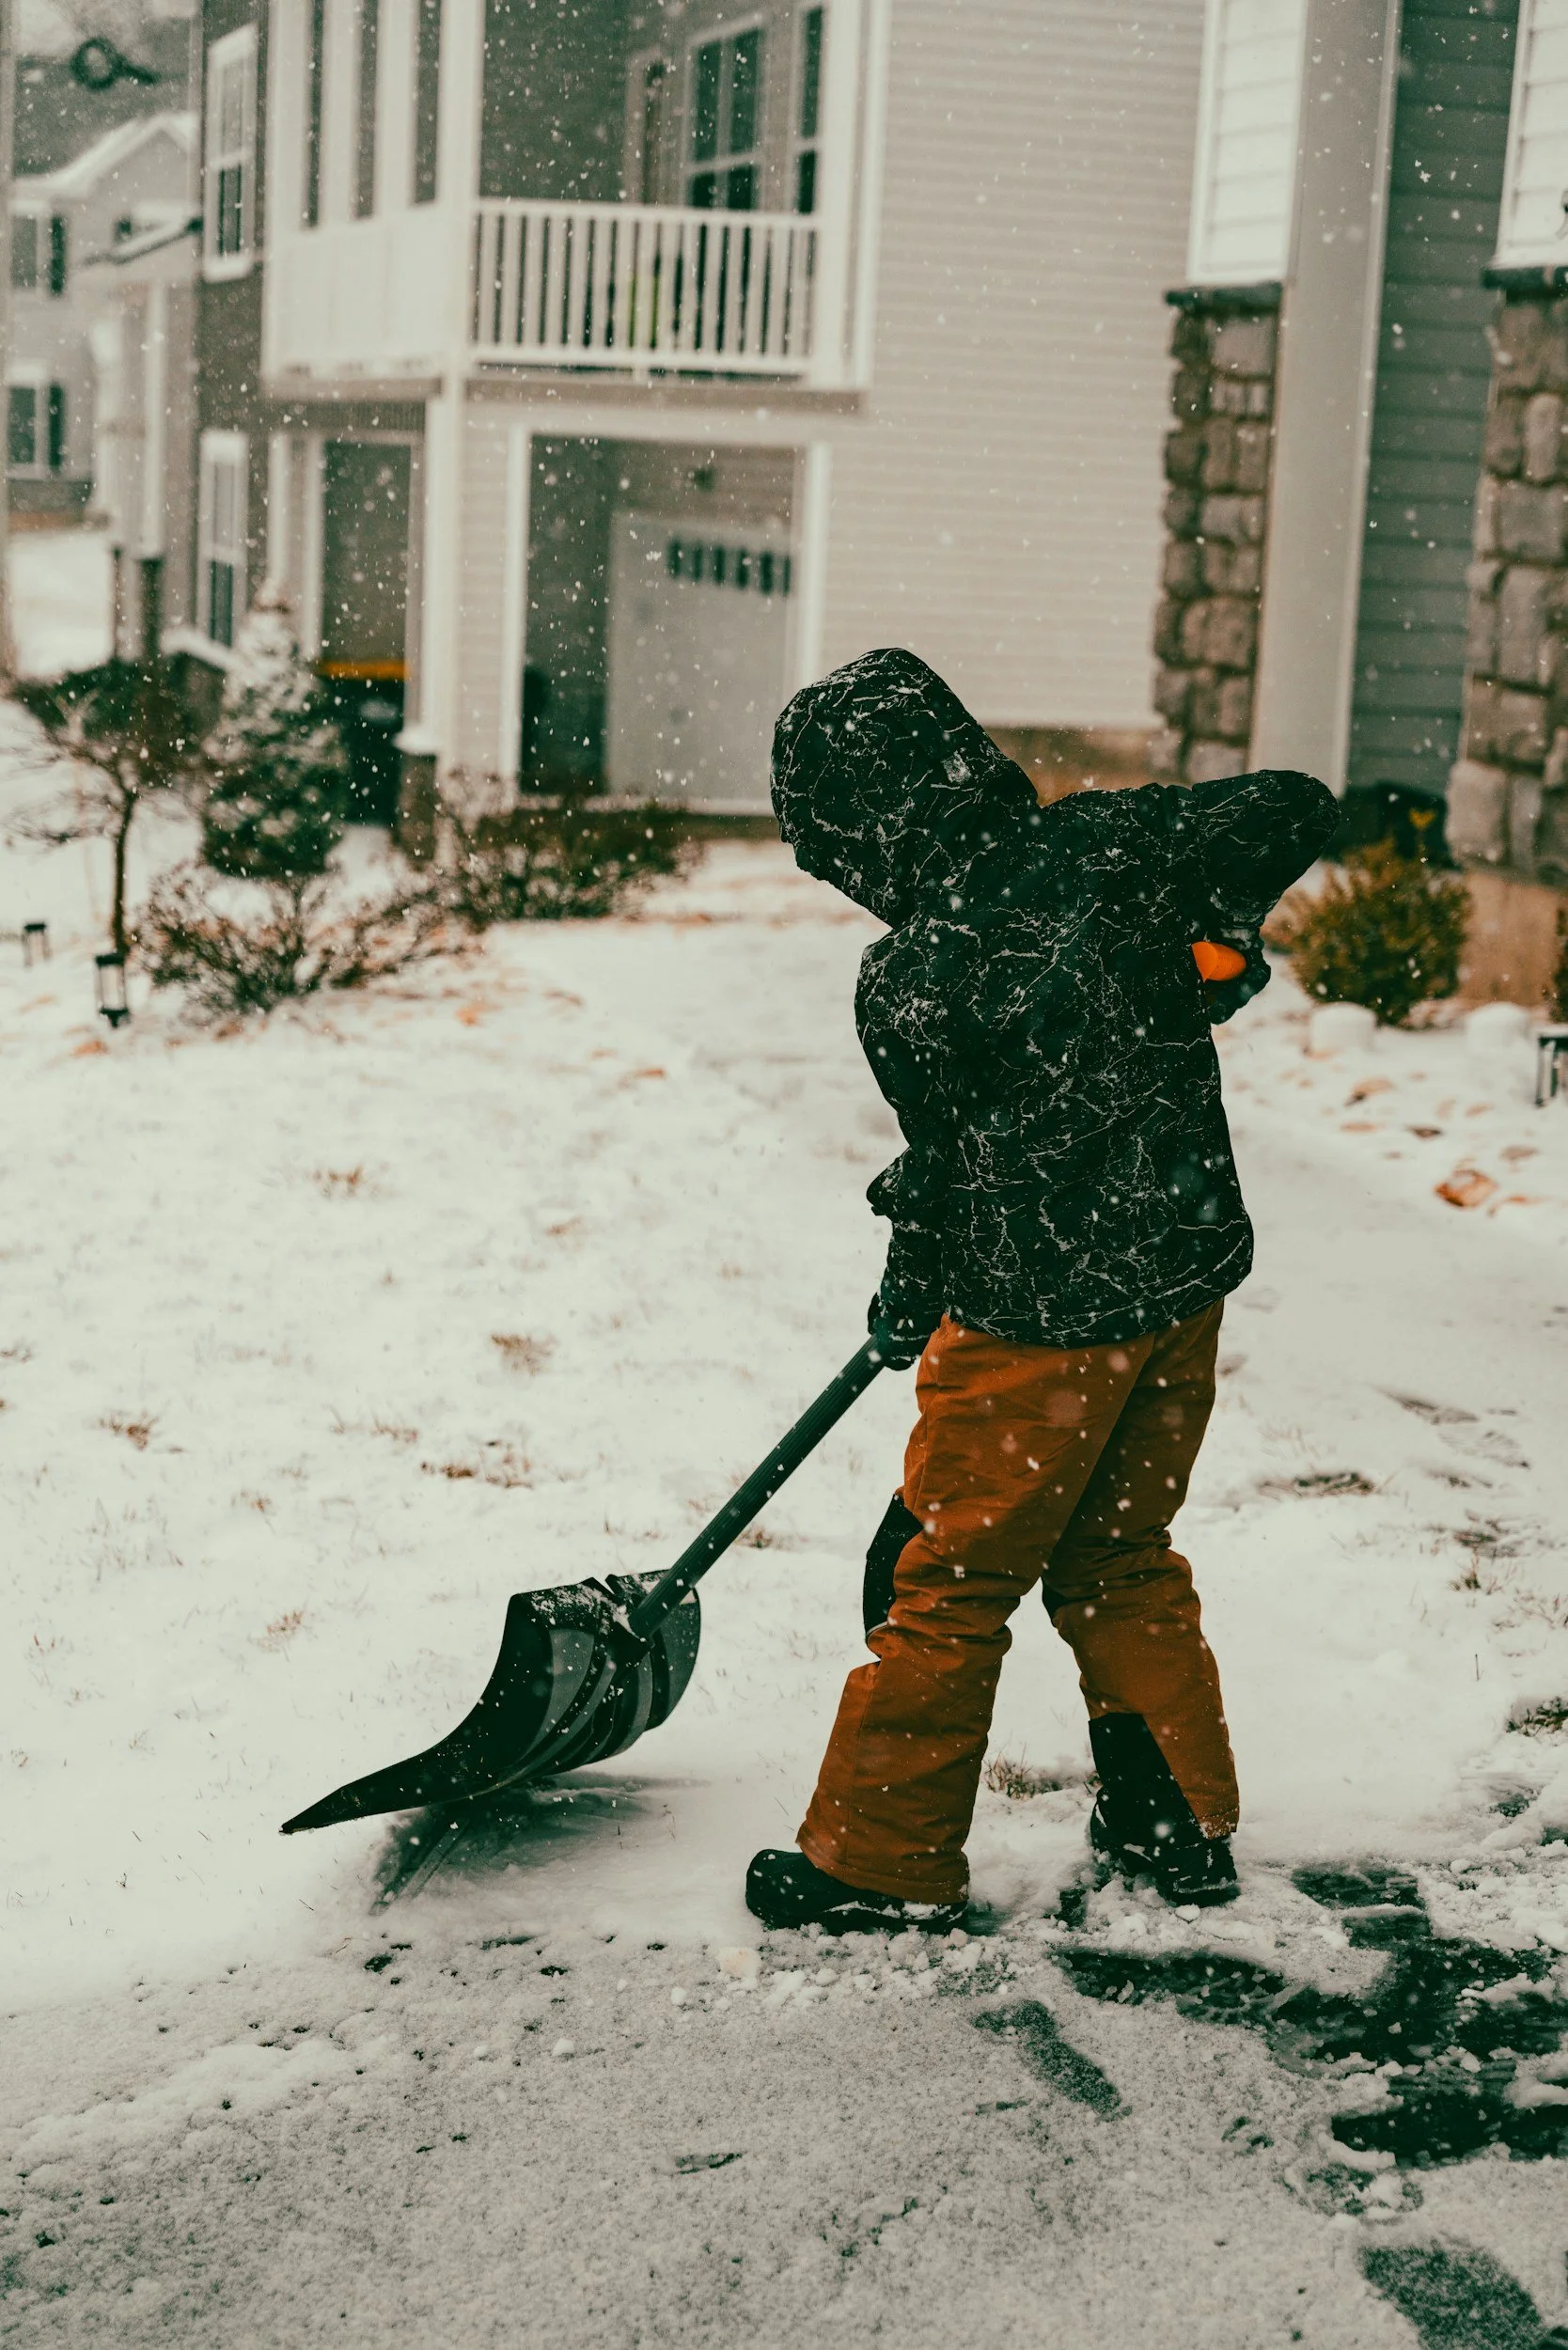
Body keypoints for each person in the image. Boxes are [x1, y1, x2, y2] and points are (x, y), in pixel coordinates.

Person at [745, 649, 1339, 1935]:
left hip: (1034, 1327)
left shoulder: (917, 975)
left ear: (870, 830)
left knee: (948, 1579)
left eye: (832, 846)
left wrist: (1207, 950)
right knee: (1119, 1545)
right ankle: (1174, 1819)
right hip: (1179, 1284)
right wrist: (1185, 927)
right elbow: (1293, 804)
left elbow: (950, 1177)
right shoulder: (1113, 849)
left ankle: (879, 1858)